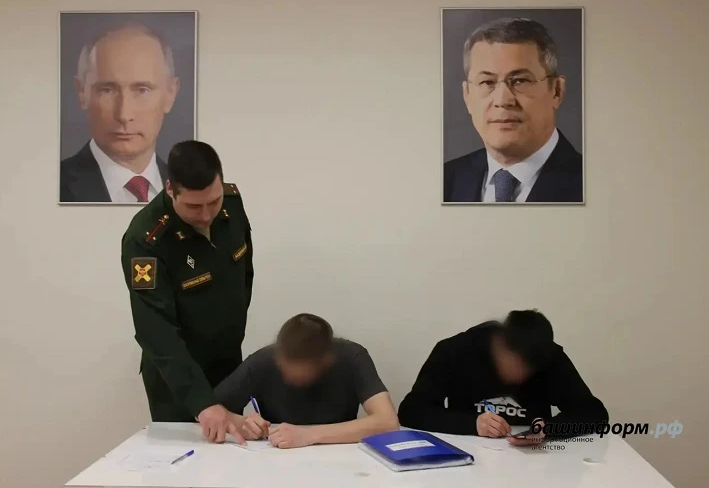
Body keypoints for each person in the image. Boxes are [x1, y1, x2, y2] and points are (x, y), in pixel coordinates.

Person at [120, 140, 254, 444]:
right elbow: (155, 329)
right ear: (170, 190)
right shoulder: (146, 239)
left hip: (229, 365)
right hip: (178, 381)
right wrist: (201, 402)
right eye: (193, 206)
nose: (206, 215)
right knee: (185, 462)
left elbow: (244, 276)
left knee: (233, 456)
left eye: (213, 202)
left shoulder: (231, 203)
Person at [397, 310, 608, 446]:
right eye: (517, 364)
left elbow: (594, 413)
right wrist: (472, 424)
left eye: (530, 369)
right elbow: (411, 411)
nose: (522, 375)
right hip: (468, 456)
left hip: (532, 463)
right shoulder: (455, 351)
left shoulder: (549, 357)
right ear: (500, 347)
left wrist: (548, 429)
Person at [444, 17, 583, 203]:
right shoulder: (443, 181)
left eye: (520, 81)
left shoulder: (594, 183)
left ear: (557, 91)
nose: (503, 100)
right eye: (487, 82)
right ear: (467, 95)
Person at [214, 313, 399, 449]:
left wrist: (308, 435)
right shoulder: (263, 361)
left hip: (340, 457)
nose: (288, 373)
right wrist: (244, 424)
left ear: (326, 361)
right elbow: (208, 410)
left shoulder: (352, 358)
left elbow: (388, 422)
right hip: (275, 457)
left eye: (301, 369)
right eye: (284, 363)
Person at [60, 23, 181, 203]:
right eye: (107, 90)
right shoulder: (49, 185)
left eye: (142, 90)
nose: (124, 115)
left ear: (171, 94)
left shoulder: (189, 188)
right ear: (82, 93)